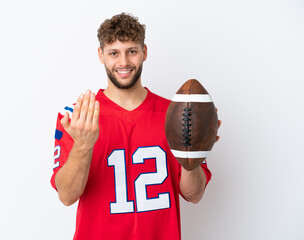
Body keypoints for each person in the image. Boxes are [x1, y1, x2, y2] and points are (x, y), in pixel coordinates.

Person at [51, 13, 220, 240]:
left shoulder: (178, 116)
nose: (123, 62)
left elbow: (194, 194)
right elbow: (67, 196)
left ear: (144, 52)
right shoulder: (78, 117)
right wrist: (82, 147)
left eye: (132, 51)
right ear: (101, 55)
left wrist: (192, 154)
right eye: (114, 53)